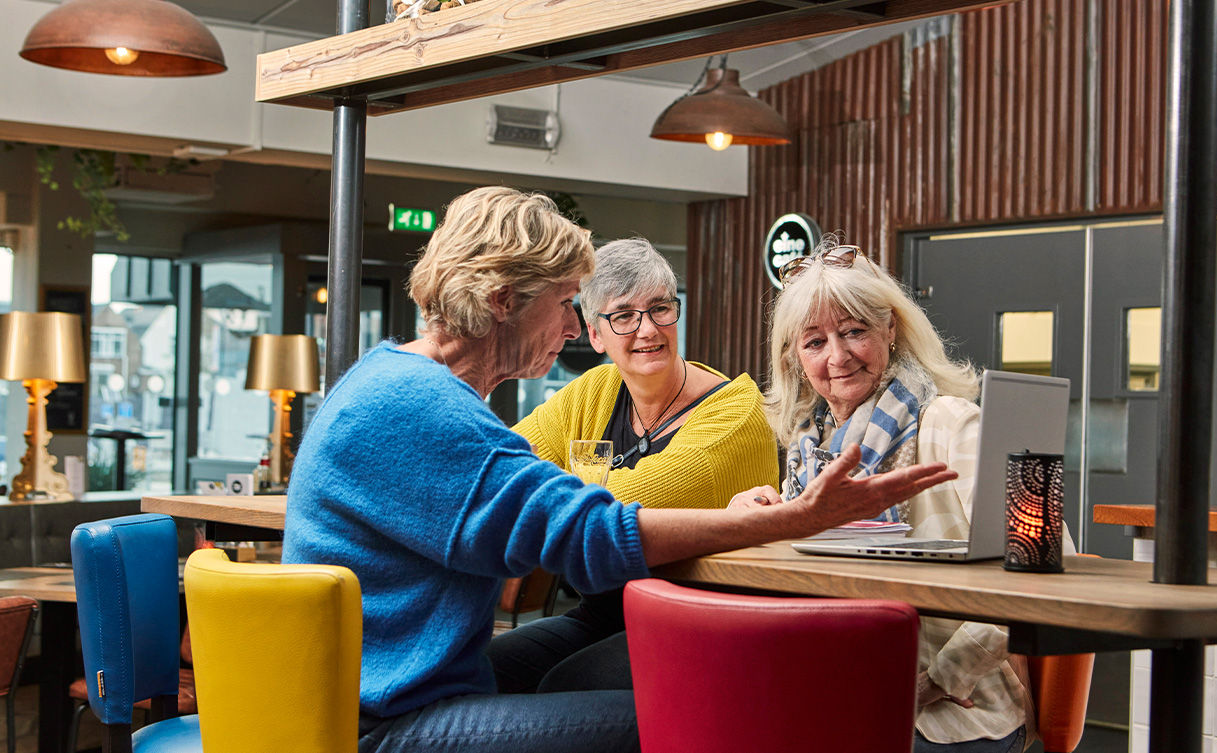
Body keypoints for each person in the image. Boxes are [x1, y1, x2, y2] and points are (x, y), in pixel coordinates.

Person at [283, 187, 956, 753]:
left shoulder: (393, 380)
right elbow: (588, 534)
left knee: (591, 679)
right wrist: (795, 515)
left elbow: (547, 502)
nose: (576, 329)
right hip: (385, 717)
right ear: (501, 300)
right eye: (568, 303)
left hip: (376, 685)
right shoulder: (423, 409)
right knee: (701, 721)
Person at [756, 240, 1049, 753]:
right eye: (815, 342)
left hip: (956, 715)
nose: (838, 356)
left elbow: (1043, 561)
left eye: (854, 332)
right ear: (794, 358)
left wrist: (937, 680)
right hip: (838, 696)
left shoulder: (954, 422)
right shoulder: (809, 449)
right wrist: (760, 521)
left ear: (891, 328)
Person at [488, 238, 779, 694]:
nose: (648, 330)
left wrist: (558, 485)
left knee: (563, 687)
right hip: (606, 615)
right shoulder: (594, 391)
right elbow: (501, 465)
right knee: (483, 669)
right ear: (596, 334)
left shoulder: (735, 413)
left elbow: (625, 509)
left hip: (706, 625)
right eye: (624, 316)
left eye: (660, 308)